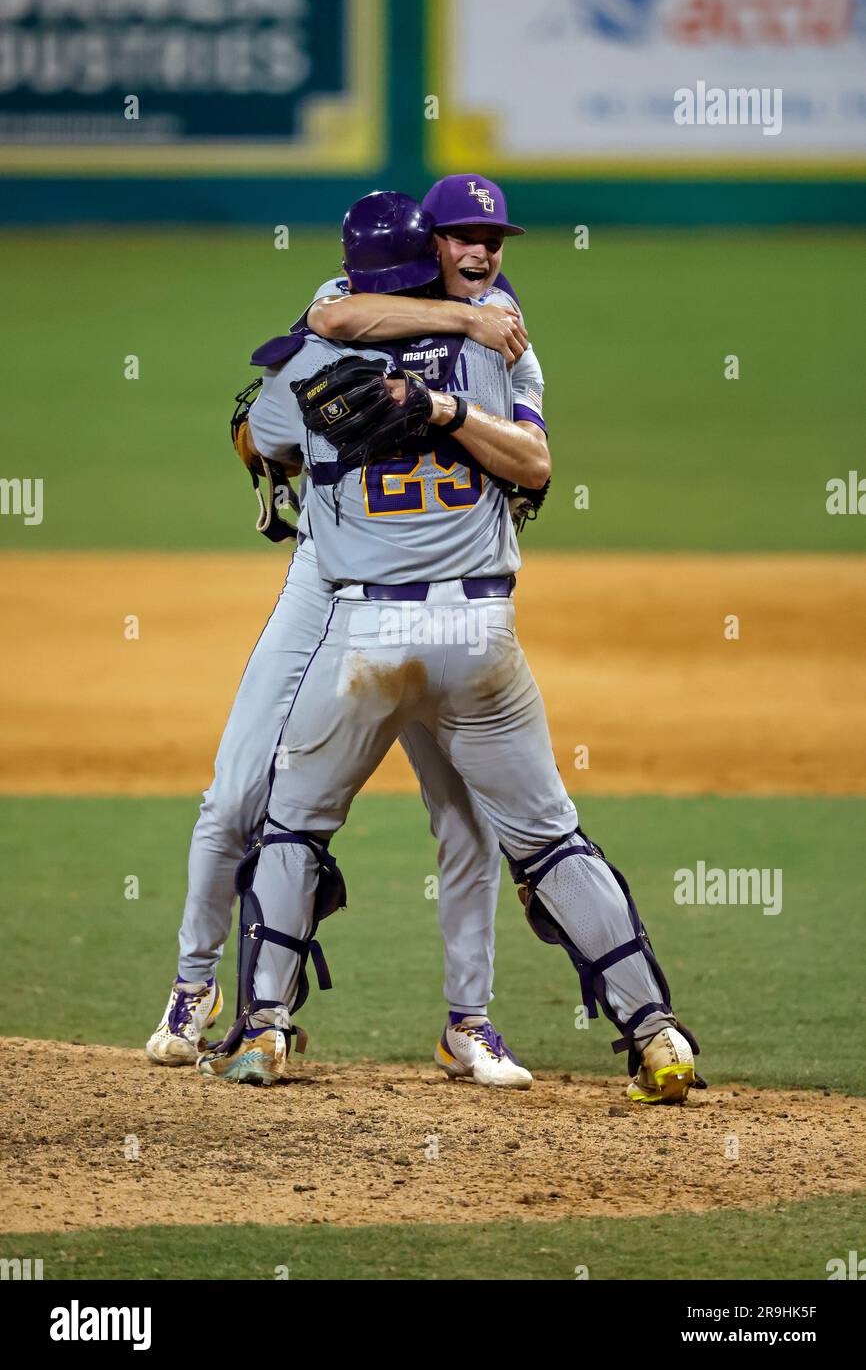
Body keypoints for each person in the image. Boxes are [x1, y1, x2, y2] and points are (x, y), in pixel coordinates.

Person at [198, 188, 702, 1105]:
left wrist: (304, 423)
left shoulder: (316, 354)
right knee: (550, 840)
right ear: (431, 258)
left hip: (367, 637)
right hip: (480, 639)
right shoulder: (488, 344)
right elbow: (535, 465)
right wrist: (437, 407)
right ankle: (655, 1033)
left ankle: (263, 1029)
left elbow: (258, 438)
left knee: (296, 825)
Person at [147, 179, 544, 1088]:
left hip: (444, 598)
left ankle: (469, 1021)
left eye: (491, 239)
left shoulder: (496, 315)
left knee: (467, 813)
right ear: (429, 245)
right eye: (458, 239)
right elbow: (315, 351)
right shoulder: (346, 305)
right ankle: (195, 986)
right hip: (328, 584)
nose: (474, 257)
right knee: (240, 795)